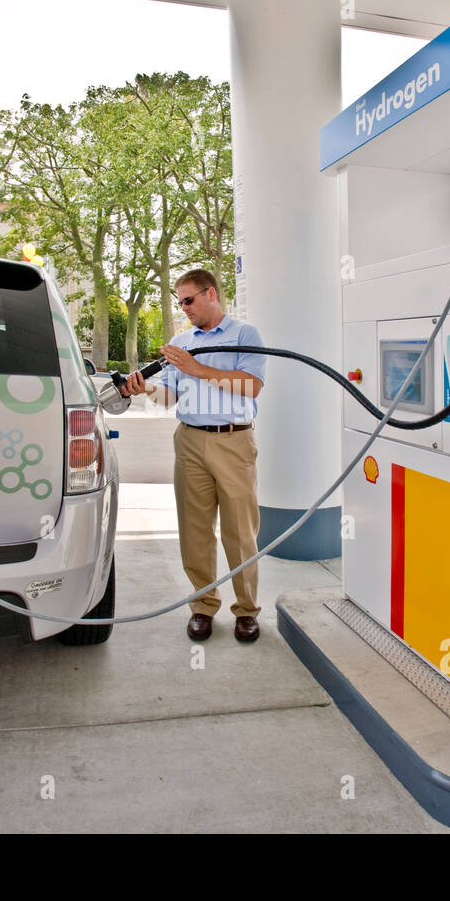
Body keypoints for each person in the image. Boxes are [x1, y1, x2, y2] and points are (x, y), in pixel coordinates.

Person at [120, 270, 267, 642]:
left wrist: (195, 367)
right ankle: (203, 607)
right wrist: (145, 388)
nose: (183, 308)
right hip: (189, 440)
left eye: (188, 300)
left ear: (211, 294)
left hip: (234, 441)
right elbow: (169, 396)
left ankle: (246, 610)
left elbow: (251, 386)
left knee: (240, 532)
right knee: (194, 530)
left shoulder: (244, 335)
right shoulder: (180, 342)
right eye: (179, 301)